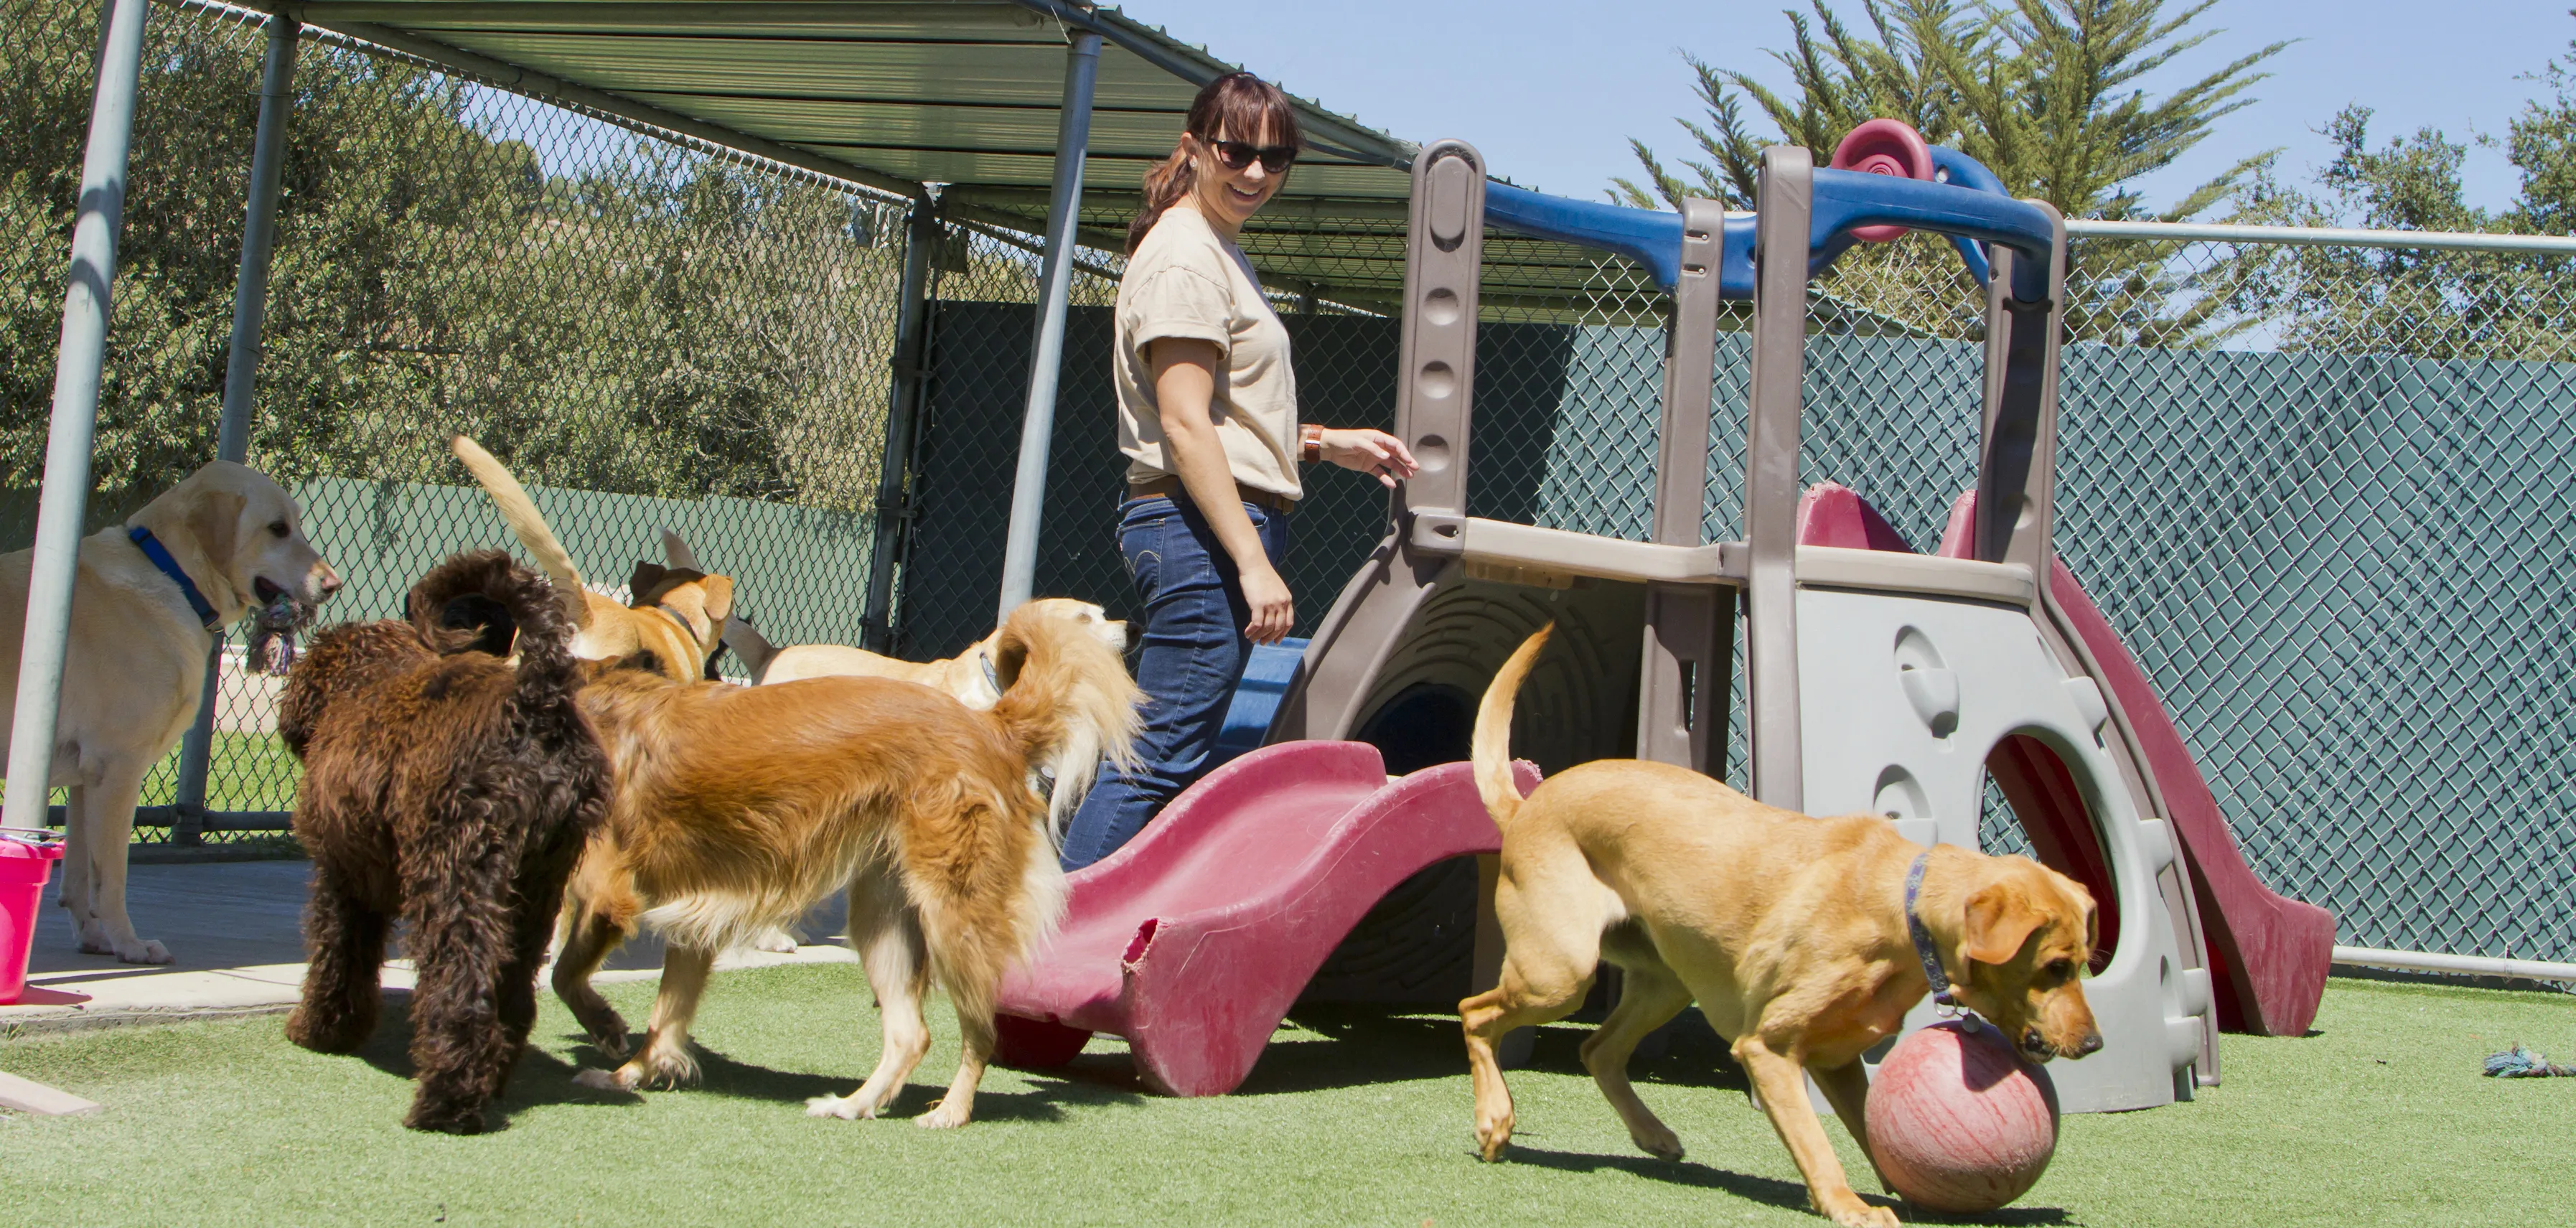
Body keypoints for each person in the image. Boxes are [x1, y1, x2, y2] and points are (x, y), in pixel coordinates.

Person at [1057, 72, 1418, 870]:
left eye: (1275, 157)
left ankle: (1072, 956)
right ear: (1194, 148)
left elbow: (1220, 419)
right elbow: (1183, 424)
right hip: (1198, 535)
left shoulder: (1214, 246)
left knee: (1160, 756)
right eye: (1236, 150)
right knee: (1156, 762)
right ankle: (1047, 967)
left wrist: (1323, 443)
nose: (1255, 172)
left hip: (1202, 526)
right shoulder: (1187, 256)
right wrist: (1252, 563)